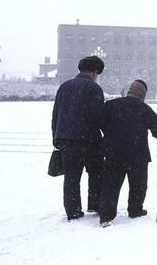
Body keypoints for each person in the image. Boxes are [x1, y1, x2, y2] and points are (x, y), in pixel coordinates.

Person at [98, 79, 157, 227]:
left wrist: (110, 135)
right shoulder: (144, 109)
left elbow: (99, 122)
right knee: (138, 184)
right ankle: (135, 209)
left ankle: (106, 215)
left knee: (111, 185)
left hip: (114, 153)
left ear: (130, 90)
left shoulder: (112, 105)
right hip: (138, 154)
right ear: (142, 94)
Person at [51, 55, 105, 221]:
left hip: (66, 140)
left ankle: (73, 211)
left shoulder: (64, 87)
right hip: (89, 140)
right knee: (96, 173)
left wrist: (57, 137)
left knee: (71, 178)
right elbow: (99, 116)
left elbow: (56, 114)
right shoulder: (94, 88)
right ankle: (95, 204)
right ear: (95, 72)